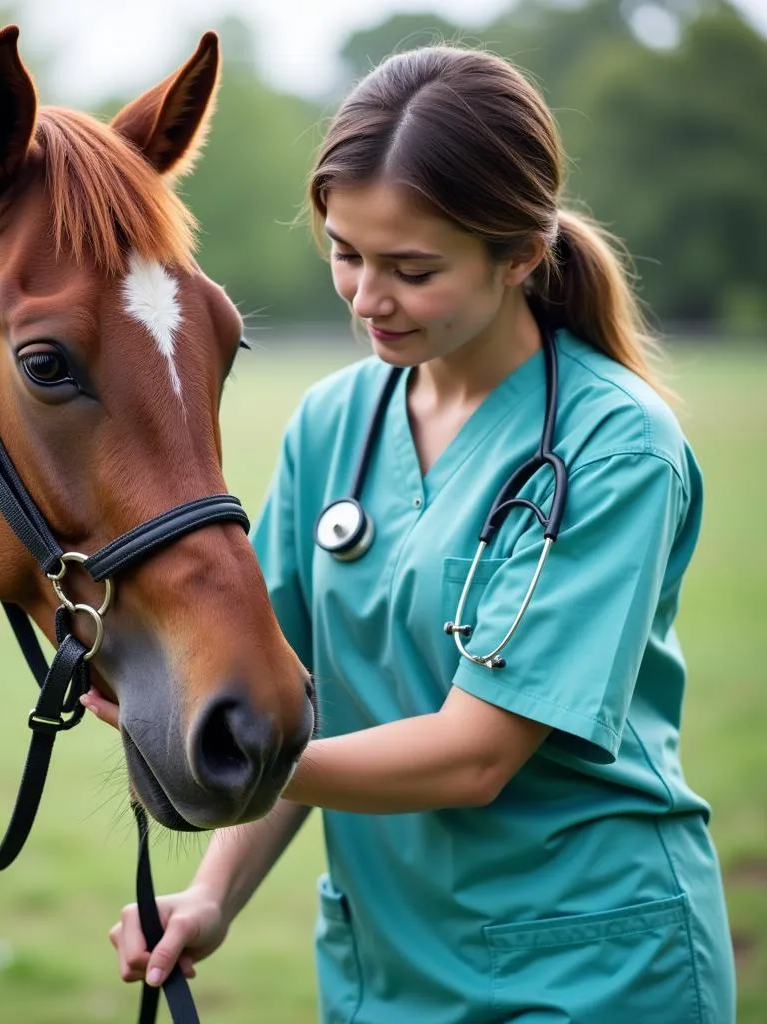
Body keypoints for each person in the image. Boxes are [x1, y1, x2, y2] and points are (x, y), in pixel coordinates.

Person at [84, 44, 736, 1023]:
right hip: (385, 973)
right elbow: (296, 691)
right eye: (345, 253)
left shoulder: (612, 444)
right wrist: (212, 895)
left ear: (519, 255)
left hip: (593, 966)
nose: (364, 296)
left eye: (411, 268)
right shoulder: (331, 424)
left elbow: (474, 755)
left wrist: (231, 757)